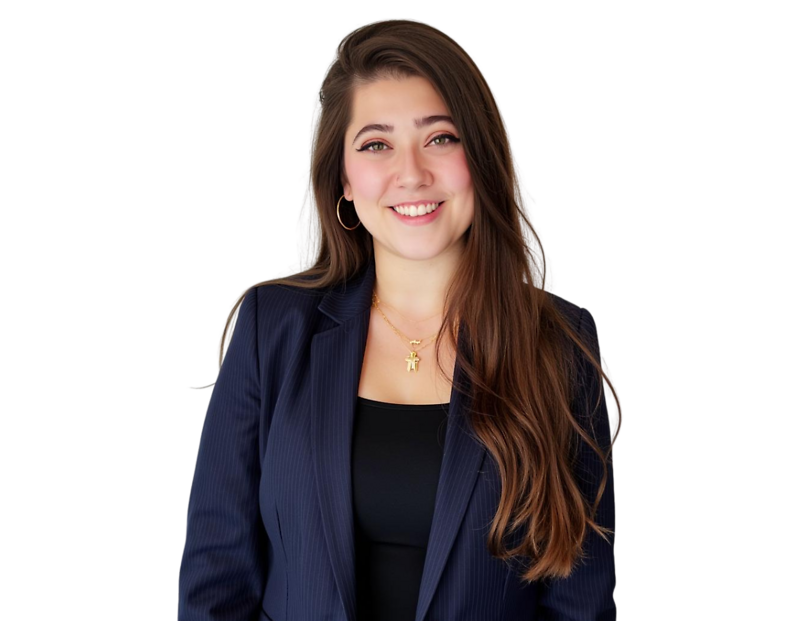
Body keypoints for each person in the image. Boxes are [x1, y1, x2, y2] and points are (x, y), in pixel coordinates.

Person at [177, 17, 623, 621]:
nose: (411, 173)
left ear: (481, 159)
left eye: (440, 138)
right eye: (376, 144)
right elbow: (214, 585)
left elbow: (580, 605)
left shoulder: (561, 346)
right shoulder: (270, 330)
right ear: (343, 180)